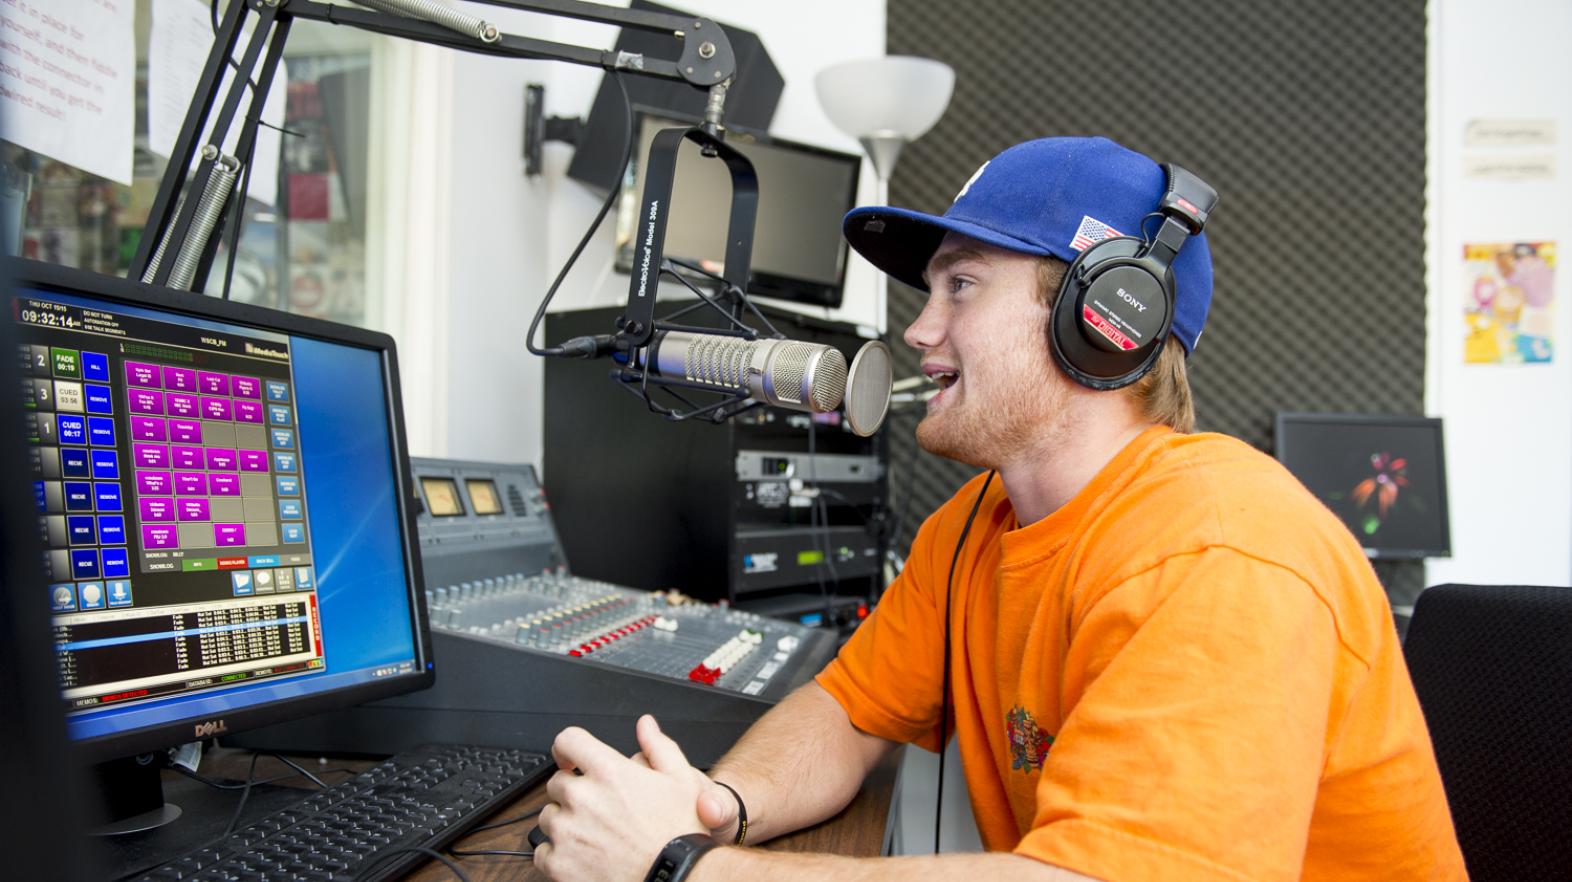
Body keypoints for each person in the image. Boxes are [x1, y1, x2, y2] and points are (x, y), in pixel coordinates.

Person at [532, 136, 1467, 882]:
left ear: (1106, 318)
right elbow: (850, 713)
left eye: (962, 285)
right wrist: (712, 806)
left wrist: (678, 864)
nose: (920, 330)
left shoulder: (1224, 555)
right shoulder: (975, 525)